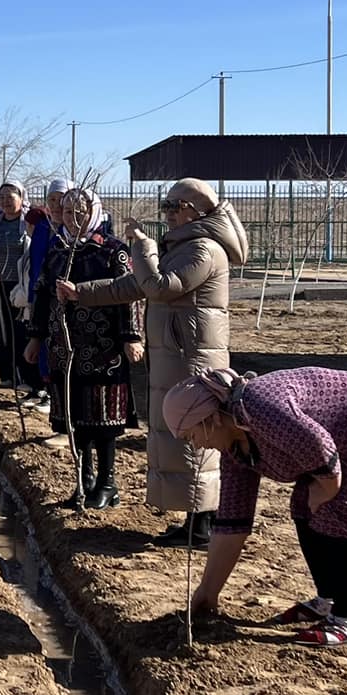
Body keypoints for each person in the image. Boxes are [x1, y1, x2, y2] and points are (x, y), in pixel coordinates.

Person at [58, 177, 248, 545]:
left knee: (198, 436)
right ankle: (194, 520)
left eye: (173, 207)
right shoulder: (182, 245)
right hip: (175, 356)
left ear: (194, 210)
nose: (167, 214)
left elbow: (161, 286)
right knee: (180, 435)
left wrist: (142, 247)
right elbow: (133, 286)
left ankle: (204, 523)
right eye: (166, 206)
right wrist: (81, 293)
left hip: (193, 358)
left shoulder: (204, 249)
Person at [164, 367, 347, 646]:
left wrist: (327, 487)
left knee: (336, 511)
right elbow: (232, 524)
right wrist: (208, 592)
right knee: (304, 505)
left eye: (190, 436)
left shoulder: (257, 406)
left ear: (212, 419)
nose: (195, 446)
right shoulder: (235, 450)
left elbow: (319, 444)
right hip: (342, 446)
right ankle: (328, 599)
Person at [25, 189, 142, 509]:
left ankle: (108, 483)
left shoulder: (112, 251)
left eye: (80, 213)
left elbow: (128, 294)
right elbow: (42, 295)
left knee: (103, 421)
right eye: (66, 213)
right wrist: (36, 338)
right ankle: (84, 480)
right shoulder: (56, 252)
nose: (73, 220)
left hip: (103, 349)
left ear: (93, 212)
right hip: (65, 348)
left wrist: (131, 337)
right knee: (75, 419)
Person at [22, 179, 71, 413]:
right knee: (42, 345)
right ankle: (45, 390)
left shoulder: (70, 232)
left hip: (63, 300)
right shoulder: (43, 227)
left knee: (59, 349)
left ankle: (55, 398)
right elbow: (35, 264)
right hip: (40, 295)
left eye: (62, 199)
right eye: (52, 199)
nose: (57, 205)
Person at [0, 183, 34, 390]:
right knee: (2, 331)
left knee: (21, 331)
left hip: (22, 285)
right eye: (2, 197)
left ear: (21, 197)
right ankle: (7, 376)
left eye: (10, 196)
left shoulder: (29, 222)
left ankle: (25, 377)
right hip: (0, 285)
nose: (5, 201)